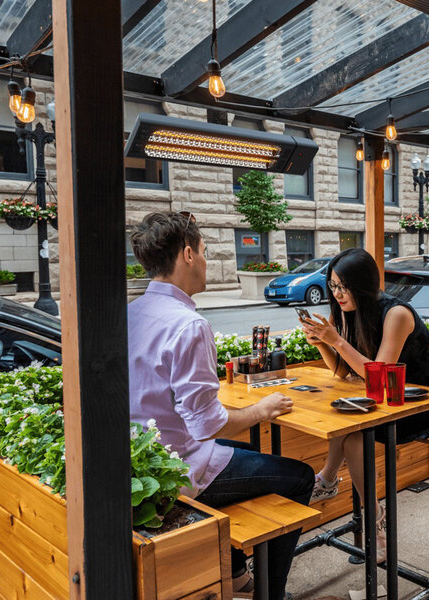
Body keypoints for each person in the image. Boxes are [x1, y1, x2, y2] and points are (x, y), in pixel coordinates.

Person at [128, 212, 314, 600]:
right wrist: (262, 410)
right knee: (300, 476)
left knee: (250, 454)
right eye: (206, 251)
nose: (208, 261)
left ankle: (235, 574)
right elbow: (207, 427)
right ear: (188, 254)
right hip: (178, 471)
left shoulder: (130, 313)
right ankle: (270, 592)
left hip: (140, 463)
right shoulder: (188, 324)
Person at [300, 248, 429, 563]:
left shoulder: (396, 313)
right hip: (386, 403)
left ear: (363, 284)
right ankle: (372, 520)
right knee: (352, 428)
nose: (338, 294)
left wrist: (337, 341)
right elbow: (343, 371)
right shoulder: (348, 312)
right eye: (333, 287)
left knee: (356, 431)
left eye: (344, 287)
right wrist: (322, 343)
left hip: (422, 404)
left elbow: (379, 377)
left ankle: (329, 482)